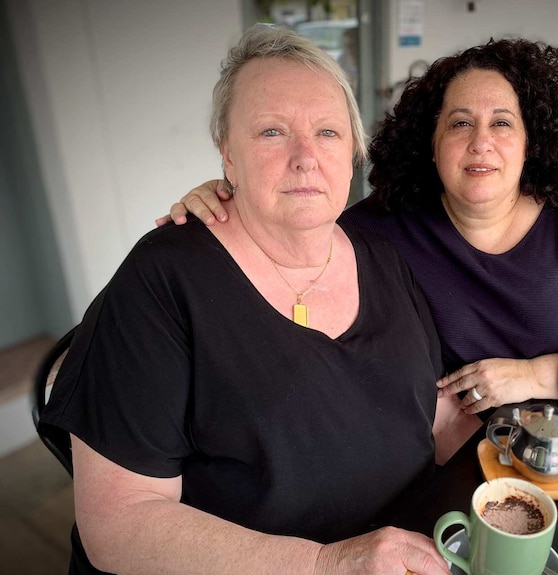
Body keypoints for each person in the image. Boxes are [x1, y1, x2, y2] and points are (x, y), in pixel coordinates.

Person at [40, 24, 469, 575]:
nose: (305, 156)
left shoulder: (382, 256)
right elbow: (119, 524)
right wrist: (325, 564)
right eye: (271, 132)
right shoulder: (164, 279)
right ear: (228, 156)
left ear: (354, 152)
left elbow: (432, 414)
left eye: (329, 133)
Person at [162, 38, 558, 424]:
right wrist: (228, 193)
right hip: (482, 452)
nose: (480, 142)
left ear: (531, 142)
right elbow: (298, 230)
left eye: (502, 122)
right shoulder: (385, 226)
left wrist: (532, 376)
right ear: (430, 143)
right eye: (459, 123)